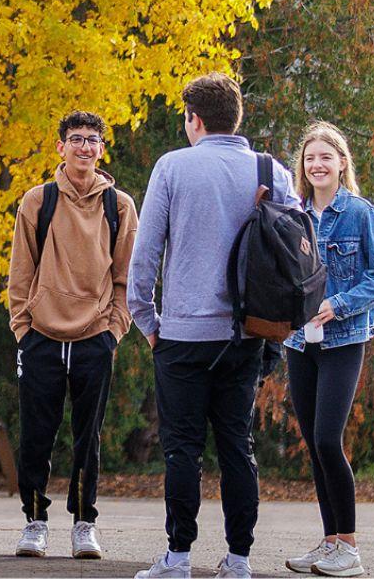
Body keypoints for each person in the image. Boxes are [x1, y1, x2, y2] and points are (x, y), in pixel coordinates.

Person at [128, 73, 298, 579]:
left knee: (181, 448)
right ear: (235, 118)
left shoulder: (173, 167)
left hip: (182, 333)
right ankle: (239, 559)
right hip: (245, 334)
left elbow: (145, 253)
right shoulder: (271, 170)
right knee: (237, 446)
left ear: (194, 119)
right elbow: (296, 256)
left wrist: (148, 321)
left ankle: (178, 557)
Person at [8, 111, 139, 560]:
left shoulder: (118, 205)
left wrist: (114, 329)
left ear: (102, 149)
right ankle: (35, 522)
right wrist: (23, 329)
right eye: (76, 139)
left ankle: (85, 523)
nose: (85, 147)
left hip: (95, 335)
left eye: (93, 140)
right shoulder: (38, 200)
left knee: (89, 437)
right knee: (36, 436)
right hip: (41, 336)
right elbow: (20, 272)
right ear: (61, 147)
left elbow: (127, 277)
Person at [280, 122, 374, 577]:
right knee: (315, 444)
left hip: (344, 339)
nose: (317, 165)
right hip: (299, 340)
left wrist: (340, 303)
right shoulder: (292, 213)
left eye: (326, 157)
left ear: (342, 162)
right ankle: (329, 541)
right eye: (310, 158)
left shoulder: (361, 214)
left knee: (329, 439)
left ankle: (349, 548)